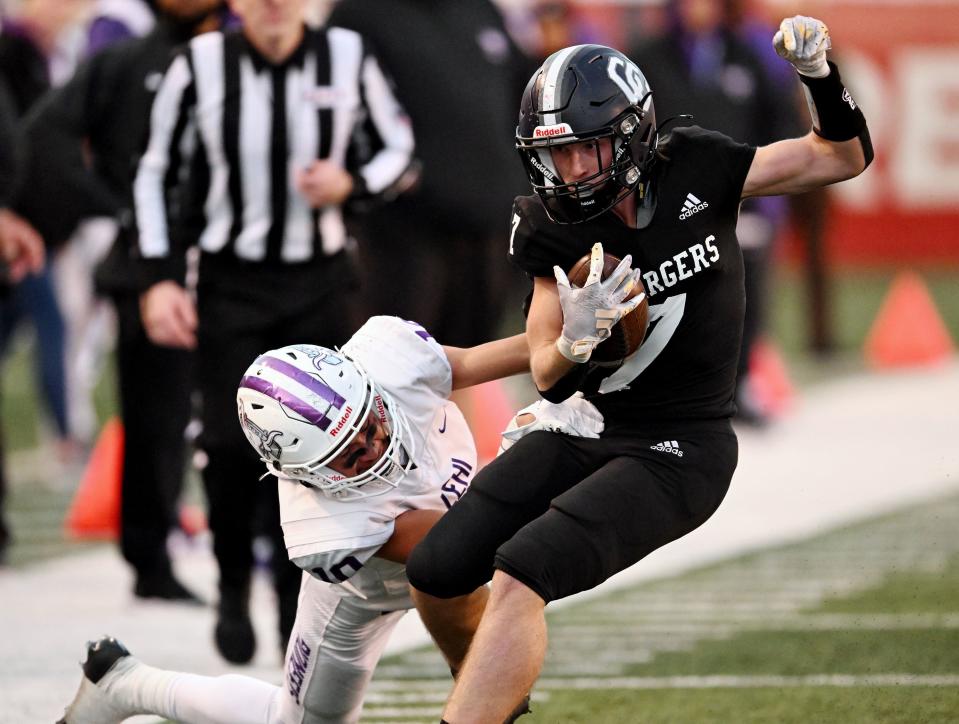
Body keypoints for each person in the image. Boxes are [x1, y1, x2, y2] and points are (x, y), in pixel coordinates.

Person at [406, 15, 873, 722]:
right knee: (436, 574)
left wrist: (818, 78)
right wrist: (577, 339)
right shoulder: (547, 225)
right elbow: (546, 370)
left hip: (681, 448)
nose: (566, 172)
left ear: (628, 136)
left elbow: (837, 159)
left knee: (521, 572)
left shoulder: (698, 165)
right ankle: (495, 695)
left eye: (583, 151)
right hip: (588, 425)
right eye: (552, 155)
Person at [57, 315, 602, 723]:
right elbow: (456, 542)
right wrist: (539, 446)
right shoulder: (326, 526)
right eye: (349, 454)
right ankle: (126, 684)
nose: (373, 445)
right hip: (360, 598)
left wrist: (564, 346)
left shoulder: (389, 359)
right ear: (305, 472)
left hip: (449, 545)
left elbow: (459, 364)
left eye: (368, 423)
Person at [134, 0, 416, 664]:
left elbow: (400, 146)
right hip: (231, 282)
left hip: (320, 282)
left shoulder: (345, 54)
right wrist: (159, 276)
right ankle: (233, 584)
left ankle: (296, 607)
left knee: (317, 451)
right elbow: (154, 173)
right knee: (232, 447)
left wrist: (352, 180)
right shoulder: (200, 66)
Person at [19, 0, 229, 603]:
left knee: (246, 407)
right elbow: (47, 133)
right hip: (147, 261)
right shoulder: (125, 60)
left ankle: (258, 540)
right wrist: (107, 203)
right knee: (155, 415)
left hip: (245, 264)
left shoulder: (251, 59)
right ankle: (151, 551)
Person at [628, 0, 805, 426]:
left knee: (743, 295)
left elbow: (780, 121)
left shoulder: (747, 55)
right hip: (667, 202)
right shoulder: (647, 57)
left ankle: (737, 383)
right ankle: (660, 388)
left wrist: (769, 196)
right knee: (664, 293)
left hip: (740, 200)